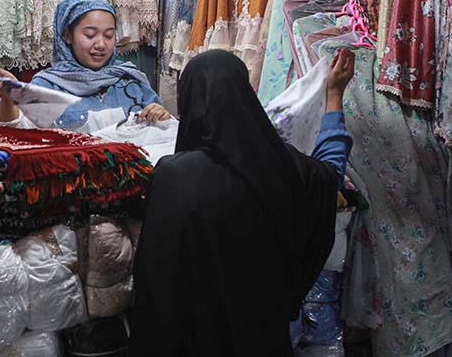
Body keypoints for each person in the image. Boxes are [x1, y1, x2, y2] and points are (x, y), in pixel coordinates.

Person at [128, 49, 355, 356]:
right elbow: (331, 173)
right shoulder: (285, 170)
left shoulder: (172, 177)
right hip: (263, 341)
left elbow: (154, 282)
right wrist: (334, 96)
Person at [0, 0, 170, 133]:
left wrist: (160, 115)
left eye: (108, 35)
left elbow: (161, 128)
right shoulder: (48, 86)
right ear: (67, 36)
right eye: (90, 35)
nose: (100, 44)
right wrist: (8, 99)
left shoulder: (131, 80)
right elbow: (16, 132)